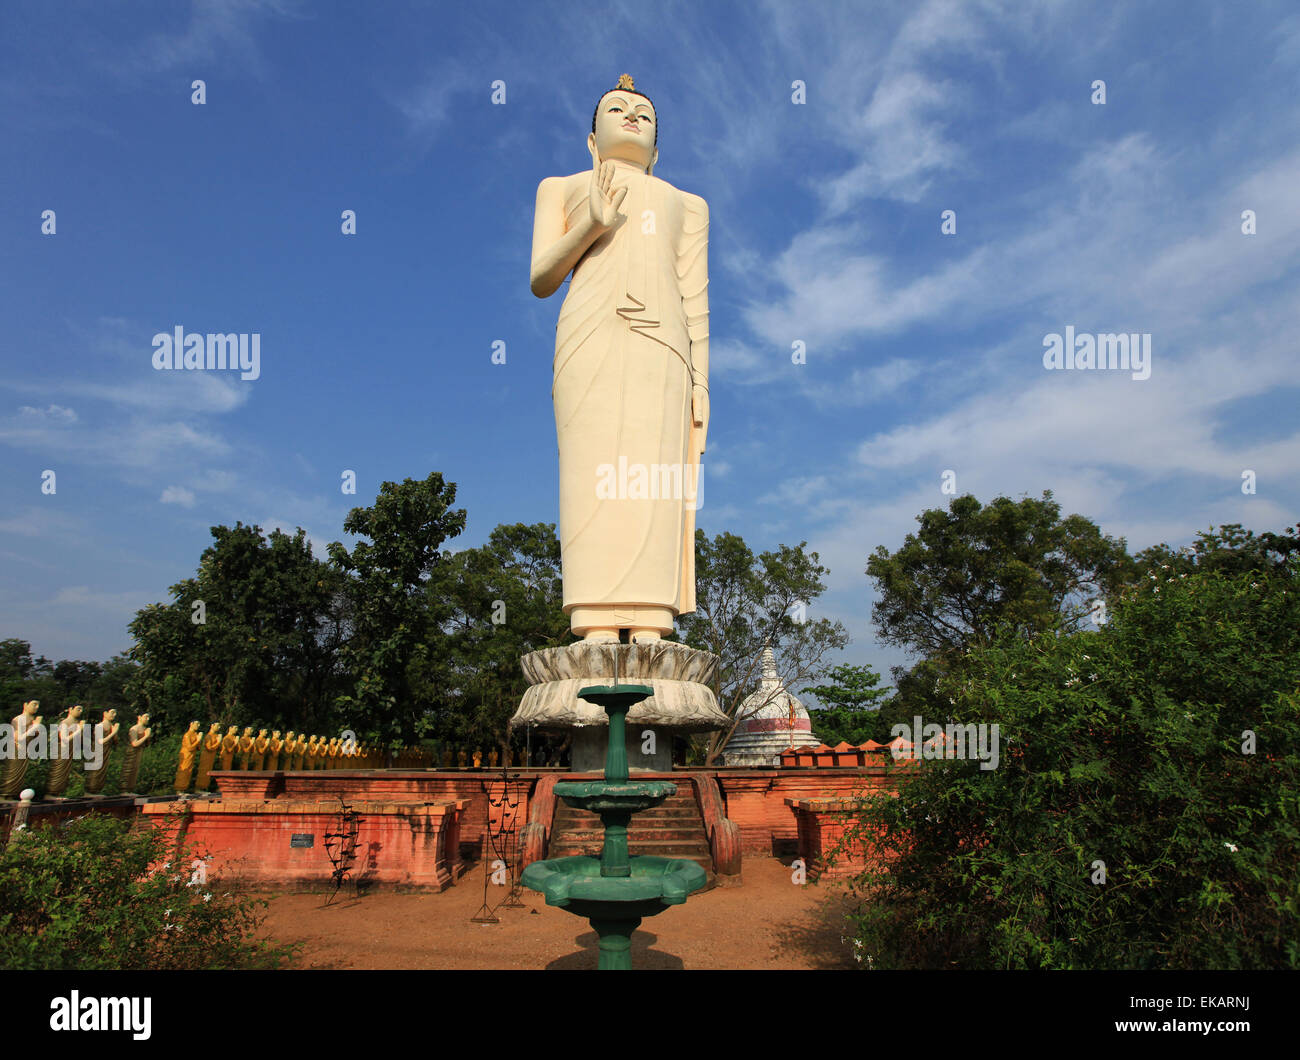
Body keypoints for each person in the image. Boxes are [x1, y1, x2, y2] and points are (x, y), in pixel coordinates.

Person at [530, 74, 710, 644]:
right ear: (591, 138)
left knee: (654, 474)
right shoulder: (561, 187)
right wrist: (592, 222)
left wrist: (702, 381)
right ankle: (594, 615)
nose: (632, 115)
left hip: (664, 345)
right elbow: (541, 278)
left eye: (644, 113)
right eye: (617, 108)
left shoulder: (687, 204)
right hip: (591, 333)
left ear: (656, 150)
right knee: (590, 473)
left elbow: (695, 295)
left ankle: (653, 613)